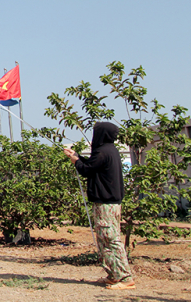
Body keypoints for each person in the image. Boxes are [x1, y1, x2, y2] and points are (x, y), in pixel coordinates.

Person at [64, 122, 135, 290]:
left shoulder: (103, 151)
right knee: (104, 239)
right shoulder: (109, 150)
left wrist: (75, 161)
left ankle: (125, 277)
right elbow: (92, 165)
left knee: (110, 238)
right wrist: (77, 157)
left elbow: (87, 170)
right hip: (109, 202)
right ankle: (113, 275)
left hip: (106, 203)